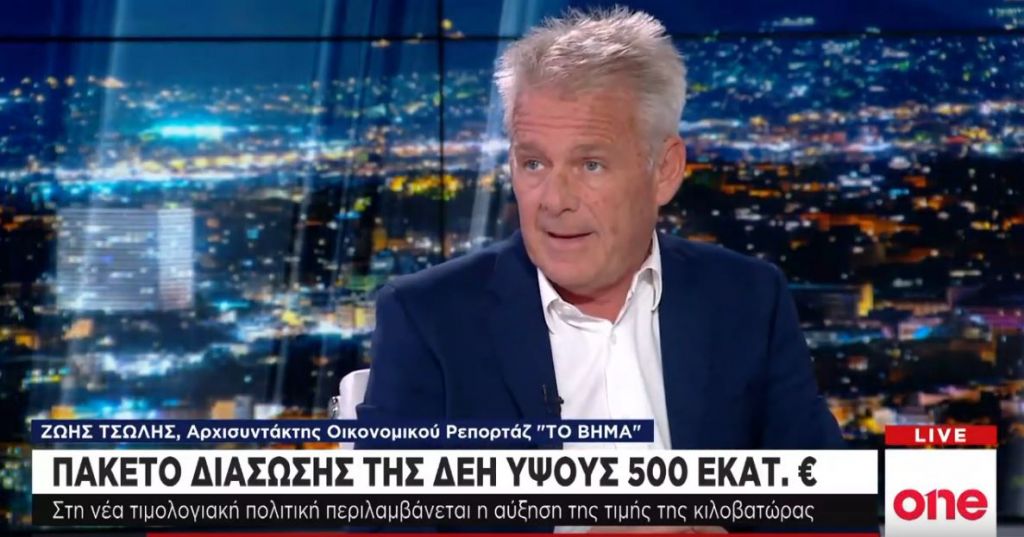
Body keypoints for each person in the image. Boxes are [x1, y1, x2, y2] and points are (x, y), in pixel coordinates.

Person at [359, 4, 842, 459]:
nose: (555, 199)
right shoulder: (428, 318)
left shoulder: (747, 299)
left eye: (591, 164)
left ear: (665, 170)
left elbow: (827, 500)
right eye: (534, 163)